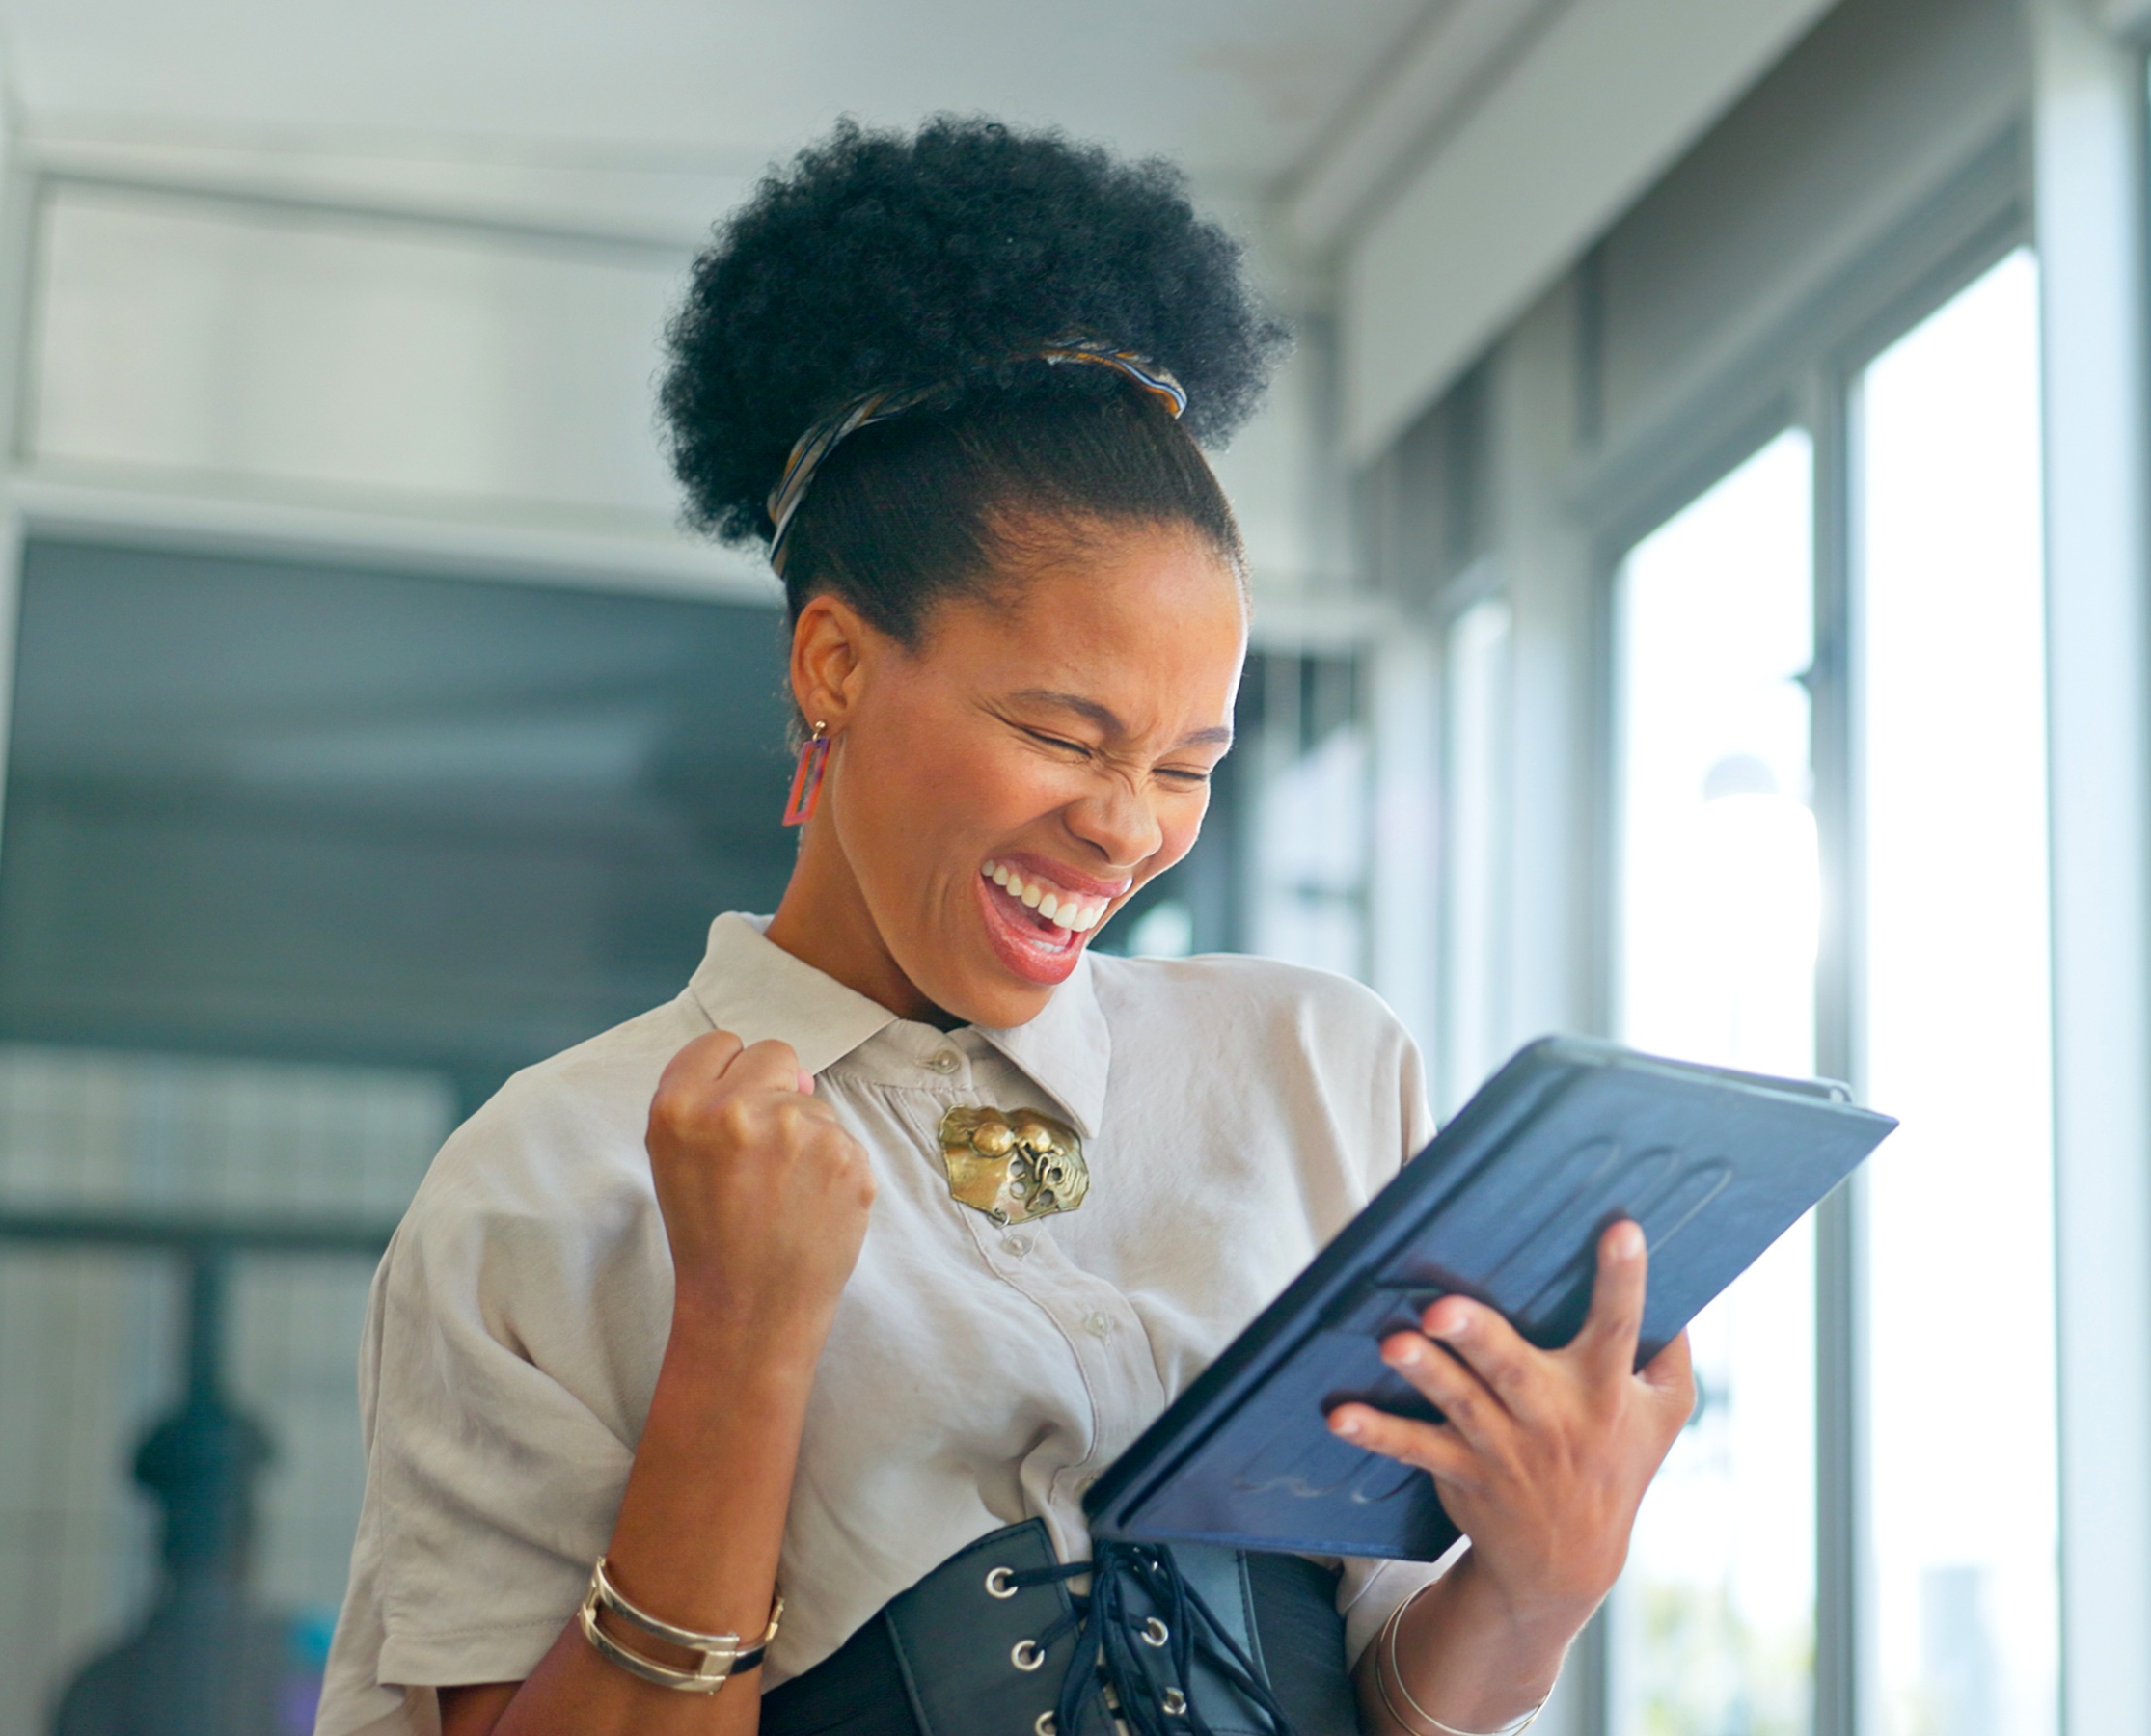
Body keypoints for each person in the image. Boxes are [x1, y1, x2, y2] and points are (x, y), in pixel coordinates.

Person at [311, 118, 1695, 1736]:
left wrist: (1537, 1583)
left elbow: (1393, 1668)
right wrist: (742, 1347)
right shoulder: (552, 1183)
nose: (1127, 826)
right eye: (1061, 732)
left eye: (1187, 764)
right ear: (833, 665)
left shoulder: (1318, 1069)